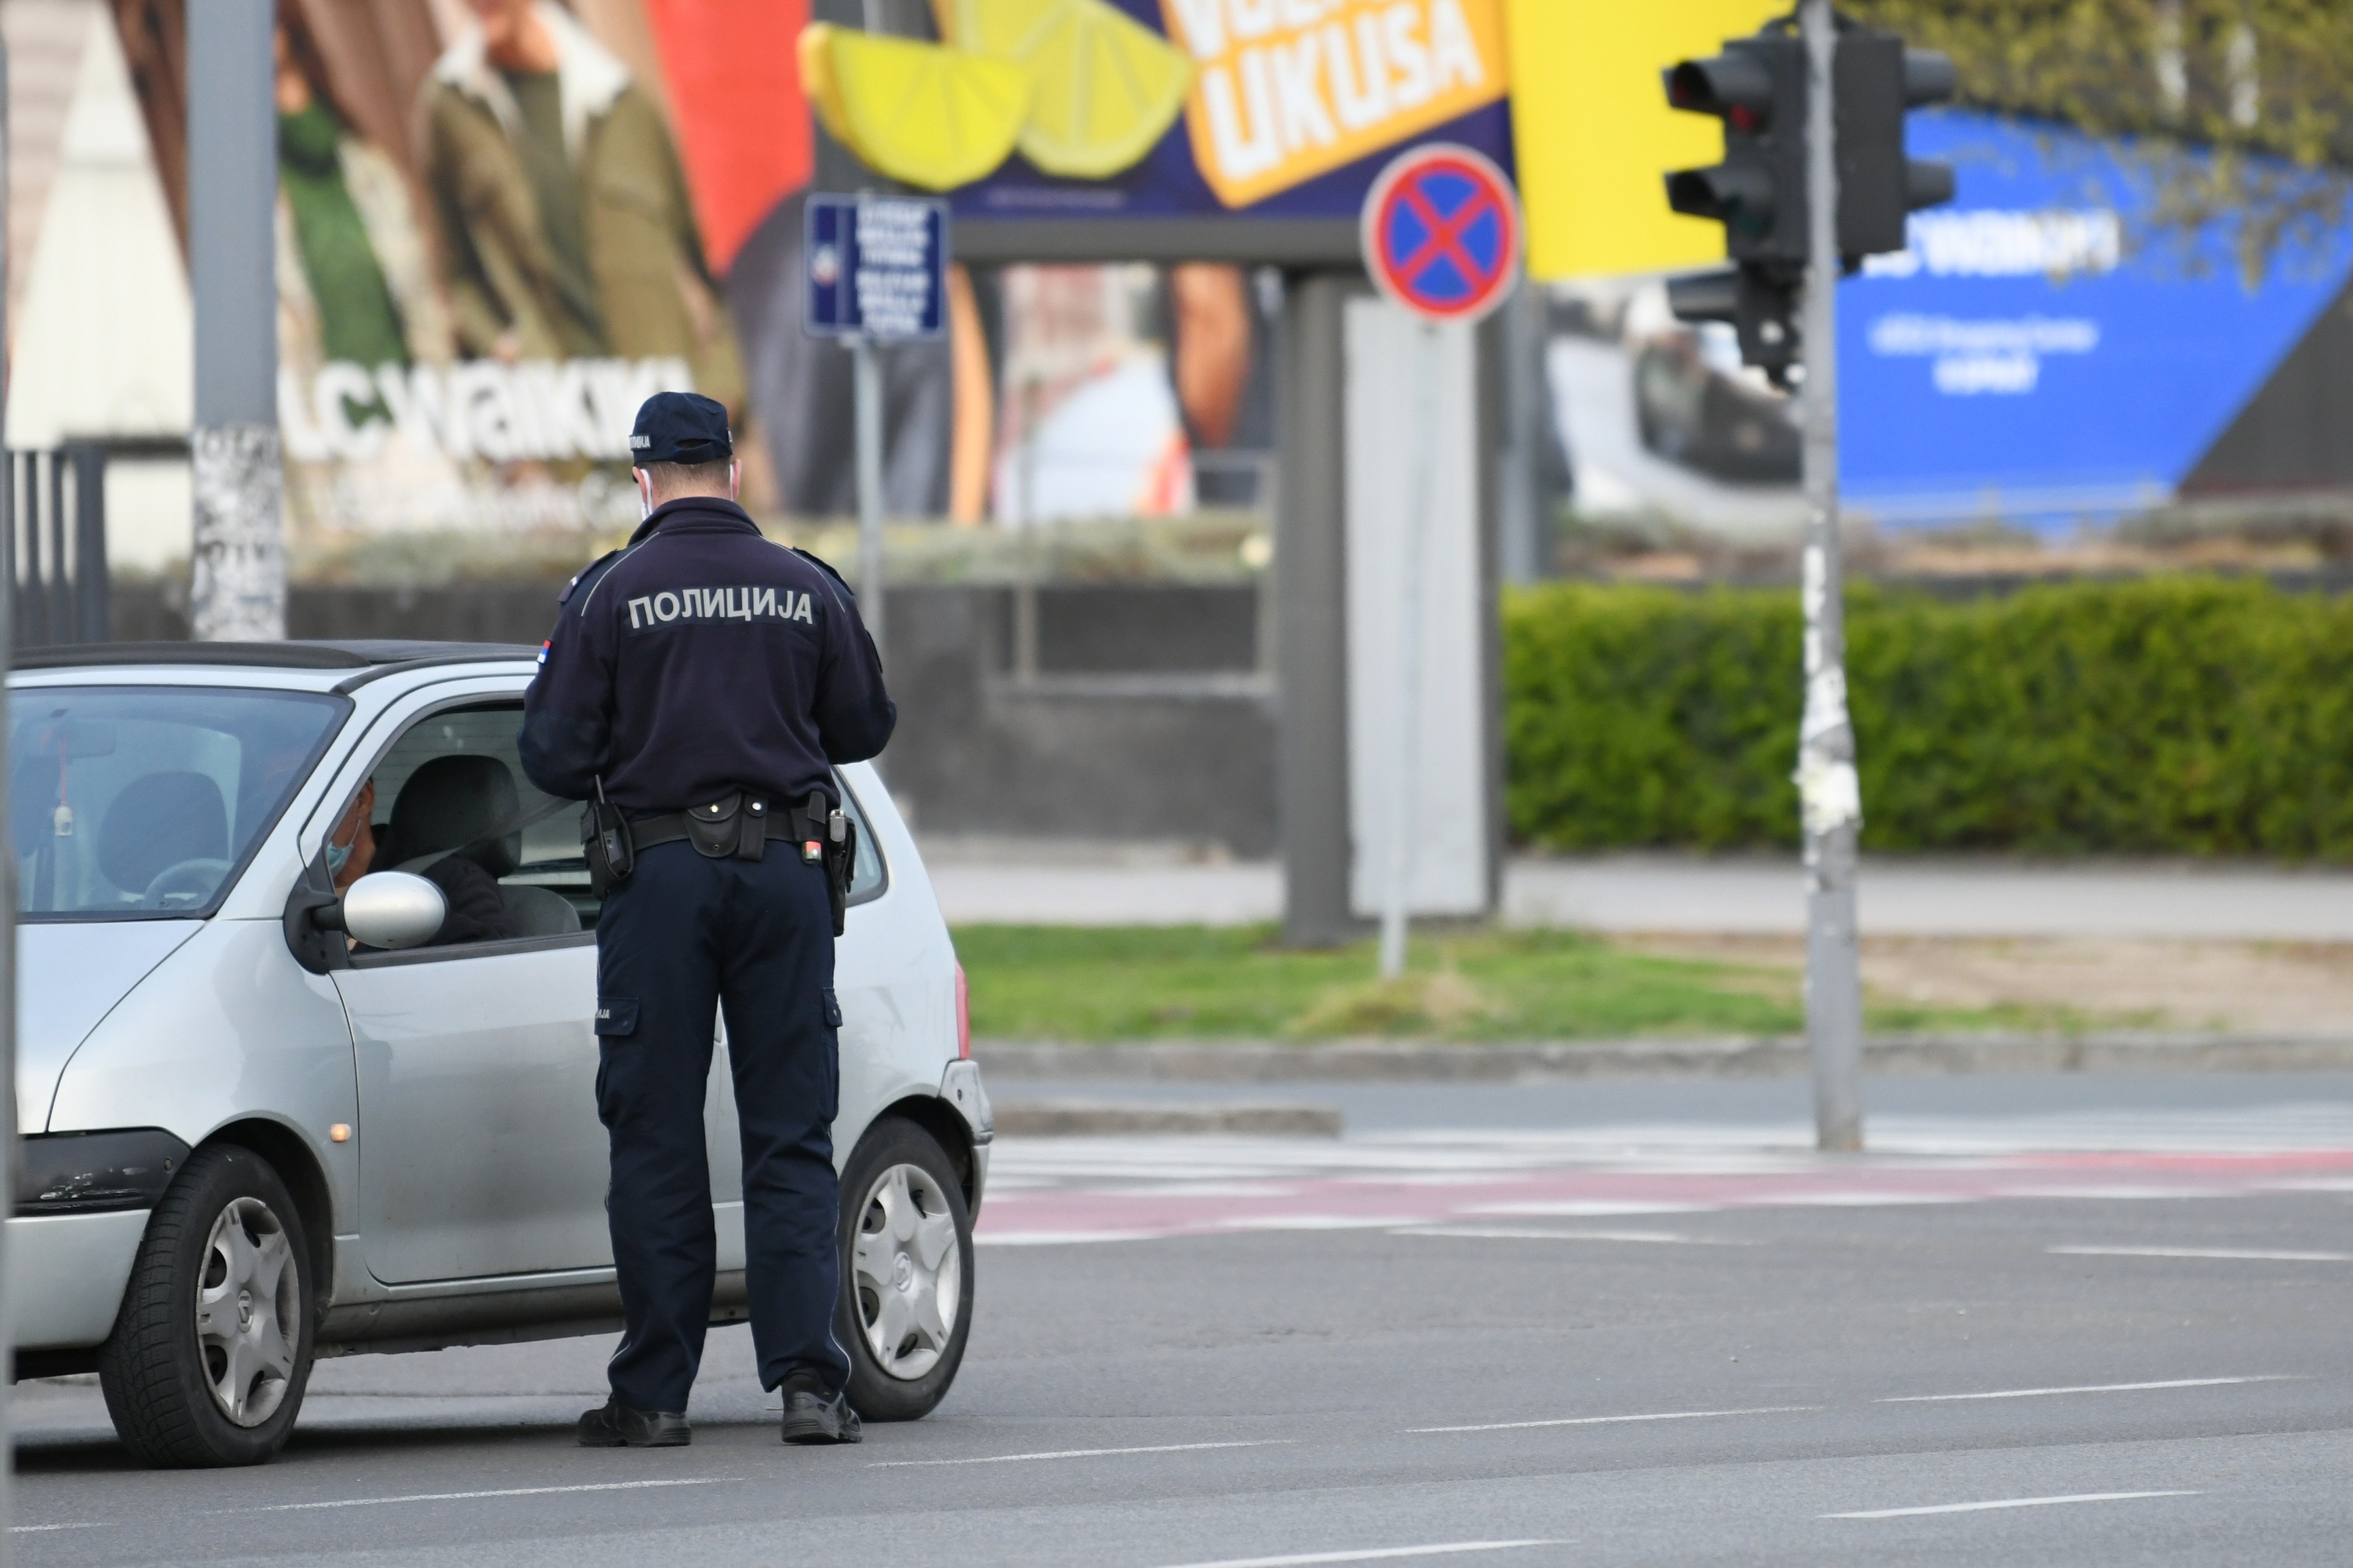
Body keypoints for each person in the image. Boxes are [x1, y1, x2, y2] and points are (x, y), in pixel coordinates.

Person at [517, 390, 894, 1449]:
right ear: (732, 471)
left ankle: (654, 1395)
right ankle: (810, 1384)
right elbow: (865, 723)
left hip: (661, 879)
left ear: (643, 480)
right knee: (791, 1132)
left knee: (656, 1136)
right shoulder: (806, 584)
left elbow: (550, 752)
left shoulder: (607, 592)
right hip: (787, 875)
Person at [417, 0, 745, 417]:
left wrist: (721, 393)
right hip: (562, 424)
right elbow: (456, 278)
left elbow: (715, 262)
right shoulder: (451, 110)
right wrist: (503, 347)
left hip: (668, 419)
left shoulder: (620, 100)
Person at [324, 776, 517, 947]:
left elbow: (495, 961)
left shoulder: (447, 881)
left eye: (318, 807)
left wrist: (393, 928)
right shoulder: (306, 887)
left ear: (363, 800)